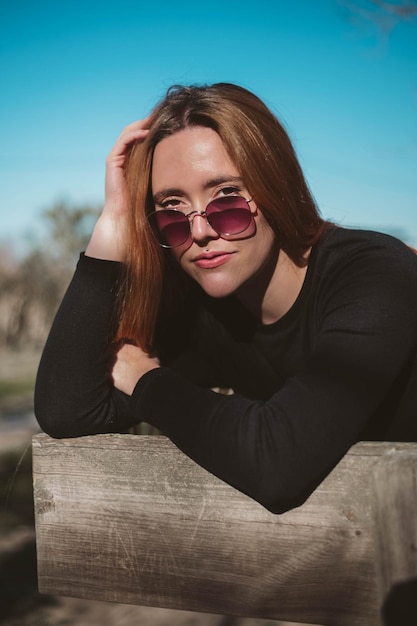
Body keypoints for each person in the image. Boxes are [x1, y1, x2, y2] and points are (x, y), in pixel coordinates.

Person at [35, 83, 417, 513]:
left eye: (226, 199)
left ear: (275, 186)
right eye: (172, 210)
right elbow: (66, 410)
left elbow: (279, 464)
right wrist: (114, 225)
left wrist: (144, 379)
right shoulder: (206, 317)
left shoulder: (372, 272)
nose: (198, 231)